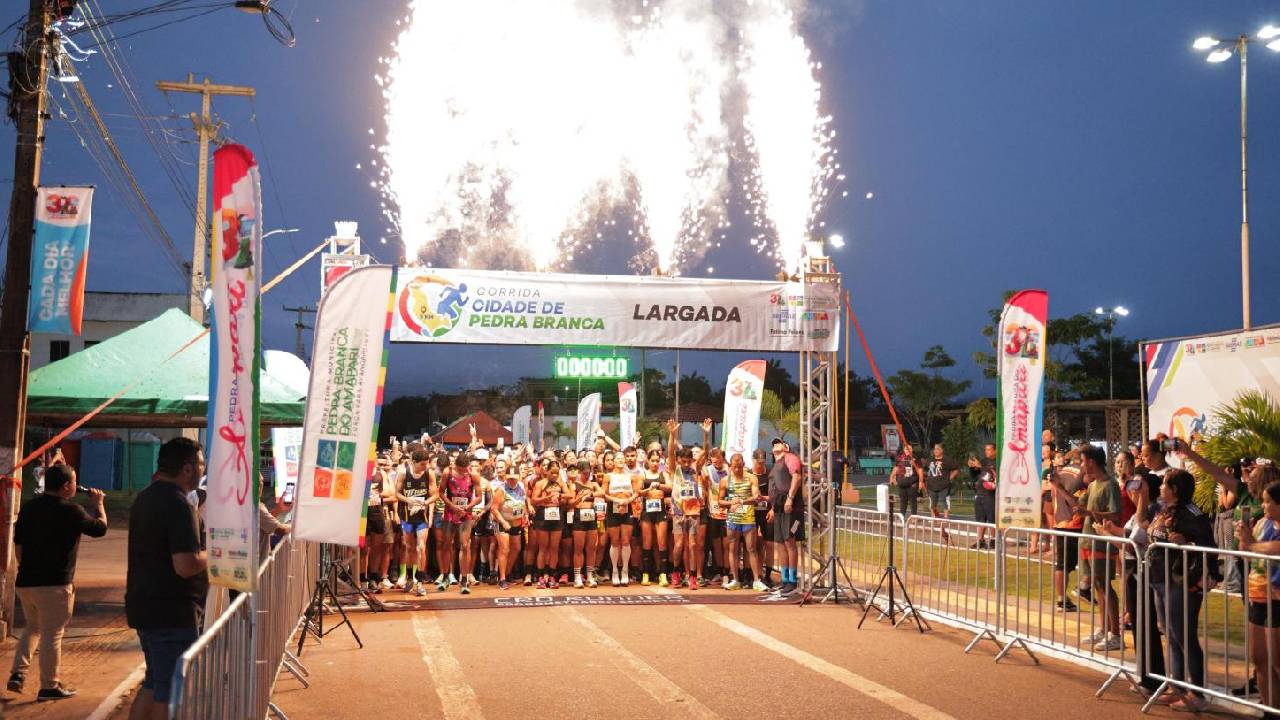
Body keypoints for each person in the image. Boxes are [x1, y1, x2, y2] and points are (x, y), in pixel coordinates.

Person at [6, 465, 106, 700]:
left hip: (26, 582)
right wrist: (99, 504)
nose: (76, 486)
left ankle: (17, 674)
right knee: (52, 634)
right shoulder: (72, 510)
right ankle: (49, 685)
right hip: (55, 585)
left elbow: (17, 545)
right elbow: (100, 529)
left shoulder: (29, 508)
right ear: (66, 486)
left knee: (33, 628)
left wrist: (28, 569)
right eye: (74, 482)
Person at [126, 438, 207, 720]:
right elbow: (186, 565)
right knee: (171, 690)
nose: (202, 470)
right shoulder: (179, 504)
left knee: (155, 681)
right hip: (171, 612)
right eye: (201, 465)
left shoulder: (145, 497)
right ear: (187, 469)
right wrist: (216, 556)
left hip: (146, 606)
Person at [1147, 469, 1220, 713]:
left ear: (1174, 489)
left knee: (1184, 637)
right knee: (1171, 636)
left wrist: (1186, 544)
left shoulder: (1193, 515)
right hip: (1160, 578)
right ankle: (1176, 686)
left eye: (1164, 485)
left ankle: (1197, 693)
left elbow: (1210, 547)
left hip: (1181, 582)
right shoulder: (1162, 510)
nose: (1160, 488)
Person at [1235, 473, 1280, 711]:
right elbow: (1248, 555)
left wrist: (1251, 544)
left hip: (1278, 600)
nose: (1263, 506)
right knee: (1260, 660)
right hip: (1258, 598)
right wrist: (1244, 540)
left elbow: (1274, 548)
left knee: (1277, 661)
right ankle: (1270, 709)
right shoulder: (1262, 523)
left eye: (1267, 501)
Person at [1077, 445, 1123, 652]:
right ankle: (1104, 629)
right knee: (1097, 586)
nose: (1081, 465)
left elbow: (1115, 514)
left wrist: (1091, 513)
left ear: (1092, 462)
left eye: (1082, 461)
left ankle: (1116, 634)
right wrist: (1059, 488)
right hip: (1088, 540)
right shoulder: (1093, 484)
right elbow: (1080, 508)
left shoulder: (1110, 484)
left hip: (1102, 542)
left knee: (1105, 586)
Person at [721, 452, 768, 592]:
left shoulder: (751, 478)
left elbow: (756, 497)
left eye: (739, 467)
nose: (737, 470)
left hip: (748, 518)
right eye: (734, 467)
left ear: (743, 465)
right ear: (730, 466)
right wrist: (730, 503)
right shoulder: (725, 480)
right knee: (733, 550)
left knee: (751, 549)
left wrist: (742, 501)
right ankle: (735, 579)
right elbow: (720, 500)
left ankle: (756, 580)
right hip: (732, 519)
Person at [668, 419, 704, 589]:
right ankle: (675, 572)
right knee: (679, 545)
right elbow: (670, 453)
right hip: (677, 513)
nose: (686, 463)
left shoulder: (694, 470)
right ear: (679, 460)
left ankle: (692, 577)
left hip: (693, 513)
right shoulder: (675, 470)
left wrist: (705, 434)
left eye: (688, 461)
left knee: (693, 545)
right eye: (683, 461)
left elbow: (705, 454)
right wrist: (672, 434)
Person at [766, 436, 804, 594]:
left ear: (786, 447)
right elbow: (774, 488)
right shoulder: (775, 464)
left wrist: (790, 498)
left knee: (789, 542)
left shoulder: (791, 458)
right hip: (779, 507)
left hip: (791, 507)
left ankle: (793, 582)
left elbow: (797, 477)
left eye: (778, 443)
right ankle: (785, 579)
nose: (775, 445)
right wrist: (772, 508)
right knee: (780, 543)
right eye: (773, 444)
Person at [395, 449, 435, 596]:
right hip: (406, 516)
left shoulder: (428, 473)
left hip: (421, 517)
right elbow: (397, 493)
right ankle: (409, 577)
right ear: (414, 462)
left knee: (421, 547)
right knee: (409, 547)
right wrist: (409, 500)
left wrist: (424, 503)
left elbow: (435, 494)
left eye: (427, 463)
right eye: (422, 464)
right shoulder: (403, 473)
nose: (425, 466)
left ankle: (419, 581)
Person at [441, 454, 480, 594]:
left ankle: (464, 579)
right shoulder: (448, 472)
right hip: (451, 512)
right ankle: (445, 576)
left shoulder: (473, 474)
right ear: (455, 465)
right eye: (460, 469)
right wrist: (452, 506)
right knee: (446, 544)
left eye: (465, 469)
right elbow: (441, 493)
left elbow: (480, 496)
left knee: (465, 545)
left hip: (466, 514)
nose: (463, 472)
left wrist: (468, 507)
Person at [635, 449, 670, 587]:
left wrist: (659, 485)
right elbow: (638, 492)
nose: (655, 463)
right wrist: (648, 490)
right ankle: (646, 574)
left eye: (657, 461)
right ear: (647, 461)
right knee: (647, 543)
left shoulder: (663, 474)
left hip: (660, 512)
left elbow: (670, 487)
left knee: (662, 543)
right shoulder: (642, 475)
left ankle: (663, 574)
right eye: (652, 460)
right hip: (647, 512)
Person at [491, 472, 529, 590]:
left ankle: (507, 573)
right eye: (509, 478)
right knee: (504, 549)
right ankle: (501, 579)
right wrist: (503, 522)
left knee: (516, 548)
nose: (512, 481)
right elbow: (494, 508)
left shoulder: (521, 486)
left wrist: (526, 514)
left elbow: (524, 501)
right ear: (506, 477)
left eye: (514, 478)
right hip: (502, 522)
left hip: (516, 522)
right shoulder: (501, 490)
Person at [603, 450, 636, 586]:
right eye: (618, 458)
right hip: (613, 509)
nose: (621, 460)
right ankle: (615, 571)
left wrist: (627, 501)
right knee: (615, 541)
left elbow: (636, 493)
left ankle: (625, 571)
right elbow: (604, 494)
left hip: (627, 508)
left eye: (623, 458)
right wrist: (616, 500)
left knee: (626, 541)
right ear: (614, 461)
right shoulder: (608, 476)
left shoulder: (631, 476)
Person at [568, 460, 602, 588]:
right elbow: (570, 503)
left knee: (591, 548)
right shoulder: (574, 485)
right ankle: (577, 577)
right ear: (579, 472)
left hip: (591, 516)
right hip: (579, 516)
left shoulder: (593, 484)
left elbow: (602, 492)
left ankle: (590, 576)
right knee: (578, 548)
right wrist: (579, 497)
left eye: (588, 472)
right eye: (584, 473)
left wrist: (591, 494)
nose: (586, 475)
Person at [967, 443, 998, 548]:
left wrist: (981, 466)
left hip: (991, 494)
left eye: (989, 449)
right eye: (985, 449)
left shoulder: (998, 462)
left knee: (991, 518)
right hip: (979, 493)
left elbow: (994, 474)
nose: (986, 451)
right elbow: (974, 475)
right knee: (980, 518)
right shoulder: (984, 461)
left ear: (995, 451)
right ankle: (980, 540)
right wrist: (971, 467)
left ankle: (994, 540)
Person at [922, 444, 957, 520]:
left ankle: (946, 517)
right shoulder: (930, 460)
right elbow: (925, 470)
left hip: (943, 485)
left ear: (942, 450)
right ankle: (933, 517)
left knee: (944, 501)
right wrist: (925, 478)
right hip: (932, 485)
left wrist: (950, 478)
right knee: (932, 502)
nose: (936, 451)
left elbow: (956, 469)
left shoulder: (947, 460)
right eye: (935, 449)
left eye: (938, 449)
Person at [889, 443, 921, 516]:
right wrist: (892, 477)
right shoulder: (900, 458)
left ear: (912, 449)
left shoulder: (915, 458)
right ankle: (902, 516)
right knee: (903, 500)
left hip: (912, 483)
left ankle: (914, 517)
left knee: (913, 501)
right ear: (904, 449)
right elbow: (896, 468)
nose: (908, 450)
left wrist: (921, 481)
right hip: (902, 482)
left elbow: (920, 470)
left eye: (909, 449)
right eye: (906, 449)